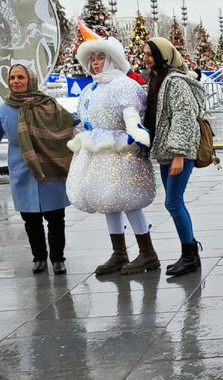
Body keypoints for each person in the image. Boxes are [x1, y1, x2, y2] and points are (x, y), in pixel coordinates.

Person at [0, 64, 74, 274]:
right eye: (12, 77)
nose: (16, 81)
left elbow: (69, 123)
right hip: (22, 171)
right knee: (31, 220)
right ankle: (39, 257)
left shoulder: (49, 105)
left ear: (30, 79)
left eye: (20, 77)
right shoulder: (4, 109)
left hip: (50, 167)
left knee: (55, 217)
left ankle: (58, 258)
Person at [66, 36, 159, 275]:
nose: (95, 63)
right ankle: (119, 252)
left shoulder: (123, 85)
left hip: (121, 151)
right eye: (92, 59)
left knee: (129, 200)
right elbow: (85, 120)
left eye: (100, 58)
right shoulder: (91, 88)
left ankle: (147, 252)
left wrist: (136, 134)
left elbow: (131, 115)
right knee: (109, 202)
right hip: (97, 152)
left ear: (111, 59)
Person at [144, 36, 207, 278]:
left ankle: (190, 255)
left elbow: (183, 118)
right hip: (165, 152)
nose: (146, 58)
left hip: (178, 153)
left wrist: (180, 154)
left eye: (151, 54)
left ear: (164, 56)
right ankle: (190, 253)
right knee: (173, 202)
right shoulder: (158, 80)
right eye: (145, 53)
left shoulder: (176, 82)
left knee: (173, 201)